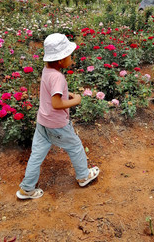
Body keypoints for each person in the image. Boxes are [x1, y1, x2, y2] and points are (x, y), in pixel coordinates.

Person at [16, 33, 100, 199]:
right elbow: (57, 104)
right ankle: (83, 175)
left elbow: (52, 96)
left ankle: (26, 188)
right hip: (57, 124)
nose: (72, 59)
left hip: (43, 122)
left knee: (37, 154)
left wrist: (65, 95)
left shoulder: (47, 71)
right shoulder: (58, 77)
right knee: (75, 146)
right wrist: (76, 100)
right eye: (70, 56)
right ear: (61, 60)